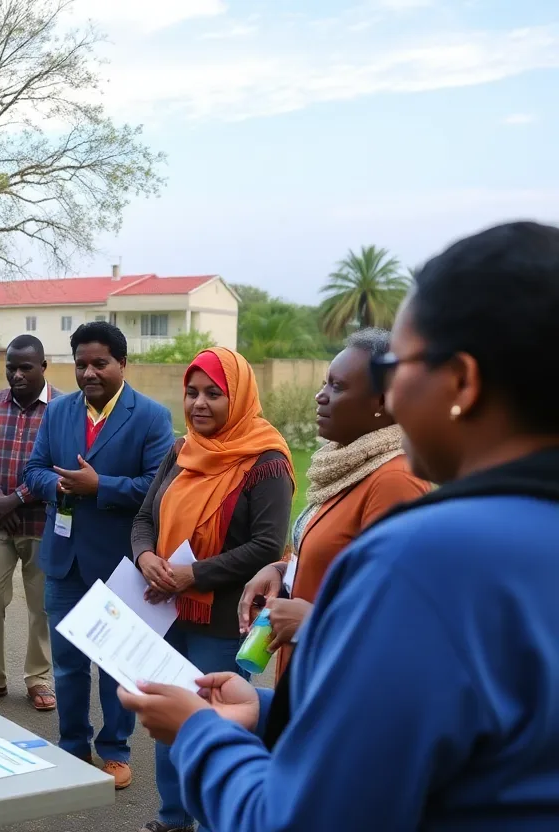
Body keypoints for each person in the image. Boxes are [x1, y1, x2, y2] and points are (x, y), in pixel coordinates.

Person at [116, 221, 559, 830]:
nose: (392, 398)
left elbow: (299, 818)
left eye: (396, 368)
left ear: (461, 381)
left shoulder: (428, 559)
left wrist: (197, 735)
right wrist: (271, 713)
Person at [128, 347, 294, 832]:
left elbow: (267, 544)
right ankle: (172, 819)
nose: (199, 404)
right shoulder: (181, 450)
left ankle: (214, 819)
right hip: (165, 609)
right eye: (192, 392)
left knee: (211, 720)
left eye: (214, 394)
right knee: (167, 717)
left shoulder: (266, 461)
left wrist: (193, 576)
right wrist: (146, 557)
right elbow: (144, 517)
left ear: (238, 397)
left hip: (219, 619)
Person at [25, 321, 175, 790]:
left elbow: (158, 487)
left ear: (122, 364)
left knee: (116, 667)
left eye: (100, 363)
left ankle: (114, 750)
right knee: (68, 664)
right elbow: (33, 470)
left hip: (119, 563)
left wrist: (99, 487)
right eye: (81, 364)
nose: (89, 373)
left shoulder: (151, 416)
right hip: (64, 559)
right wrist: (59, 485)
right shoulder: (58, 412)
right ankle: (72, 747)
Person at [238, 329, 430, 676]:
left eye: (336, 387)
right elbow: (335, 559)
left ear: (383, 403)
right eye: (325, 383)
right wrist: (279, 571)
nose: (320, 396)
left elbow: (399, 614)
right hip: (306, 668)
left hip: (339, 683)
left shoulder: (394, 481)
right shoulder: (348, 469)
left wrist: (312, 620)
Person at [0, 335, 60, 712]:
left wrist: (17, 498)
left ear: (43, 366)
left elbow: (59, 465)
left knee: (41, 605)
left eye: (25, 367)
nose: (17, 374)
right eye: (11, 367)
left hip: (42, 522)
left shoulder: (62, 408)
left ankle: (38, 679)